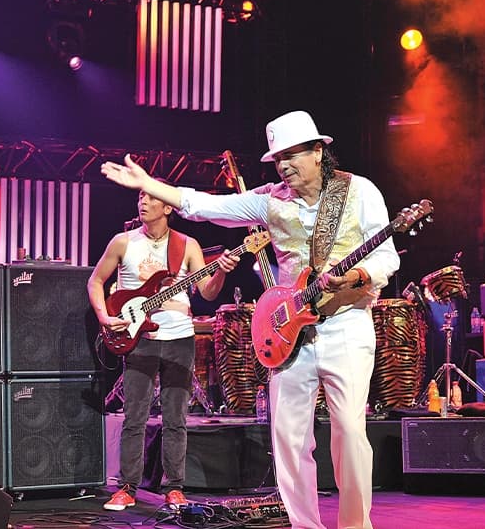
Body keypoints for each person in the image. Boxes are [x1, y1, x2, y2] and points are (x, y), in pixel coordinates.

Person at [102, 110, 400, 529]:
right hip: (288, 333)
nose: (284, 165)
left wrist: (360, 274)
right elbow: (205, 206)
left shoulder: (358, 191)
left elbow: (386, 254)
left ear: (319, 151)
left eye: (293, 154)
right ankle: (305, 525)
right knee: (289, 439)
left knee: (349, 434)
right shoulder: (269, 199)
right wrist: (150, 185)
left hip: (346, 324)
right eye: (278, 158)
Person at [87, 188, 238, 511]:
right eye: (140, 197)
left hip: (179, 337)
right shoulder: (123, 241)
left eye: (151, 197)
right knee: (134, 417)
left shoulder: (187, 245)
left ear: (168, 207)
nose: (143, 202)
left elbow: (208, 294)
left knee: (175, 417)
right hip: (137, 336)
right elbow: (96, 281)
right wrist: (104, 315)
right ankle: (127, 487)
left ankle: (174, 488)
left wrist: (221, 271)